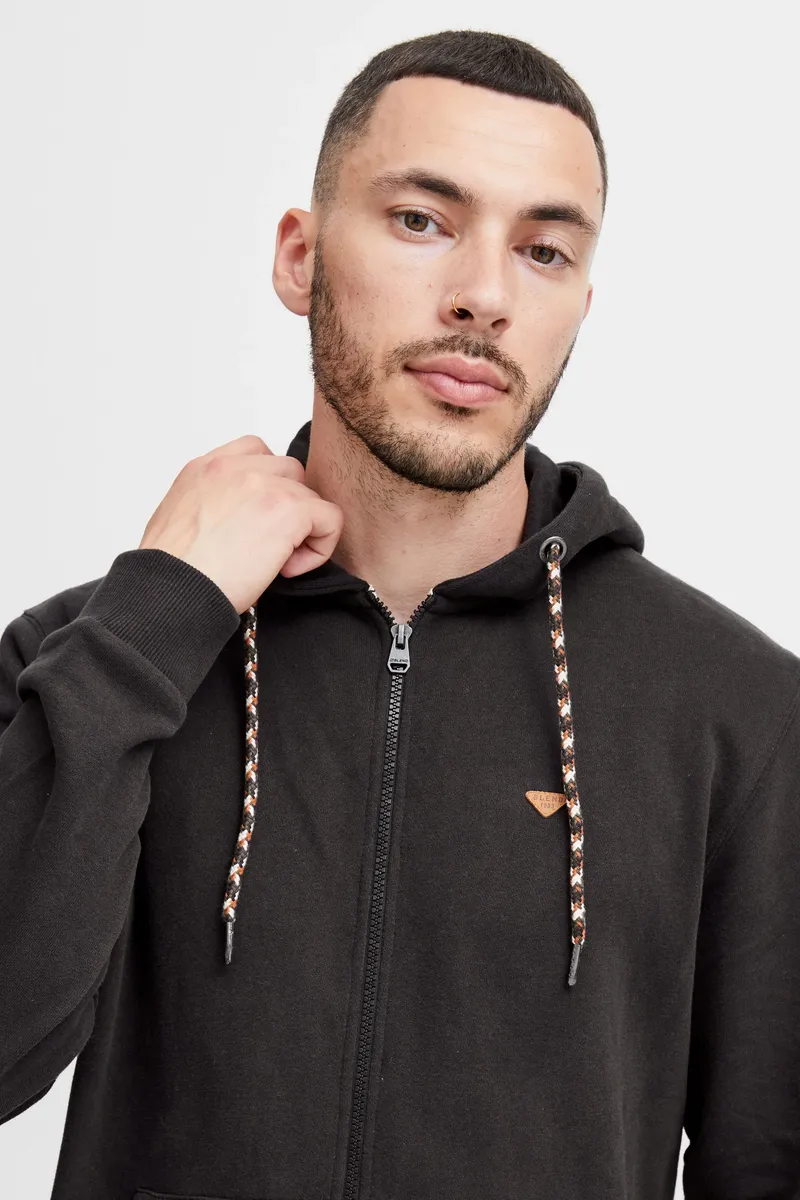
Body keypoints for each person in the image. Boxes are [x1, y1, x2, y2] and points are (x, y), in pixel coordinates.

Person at [0, 27, 797, 1200]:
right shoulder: (98, 664)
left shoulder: (738, 712)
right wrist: (156, 619)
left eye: (541, 250)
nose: (483, 296)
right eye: (421, 221)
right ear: (299, 258)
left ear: (579, 302)